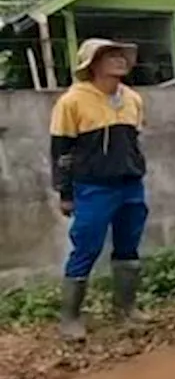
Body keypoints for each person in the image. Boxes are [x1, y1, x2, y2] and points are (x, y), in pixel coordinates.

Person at [49, 37, 149, 341]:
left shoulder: (132, 99)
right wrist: (65, 193)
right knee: (86, 248)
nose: (120, 60)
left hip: (130, 185)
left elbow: (134, 141)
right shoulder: (72, 102)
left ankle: (126, 309)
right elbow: (61, 152)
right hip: (93, 188)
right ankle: (70, 318)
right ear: (92, 64)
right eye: (111, 56)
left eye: (122, 55)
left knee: (128, 247)